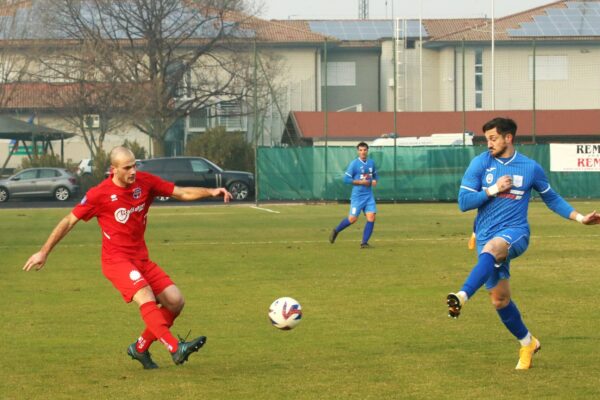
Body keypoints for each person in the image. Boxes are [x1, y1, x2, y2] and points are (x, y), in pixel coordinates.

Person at [23, 146, 233, 369]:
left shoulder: (145, 182)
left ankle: (140, 348)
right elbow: (68, 221)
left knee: (175, 302)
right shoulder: (99, 194)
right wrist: (44, 251)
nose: (133, 171)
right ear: (113, 170)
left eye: (135, 165)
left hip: (141, 259)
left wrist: (211, 192)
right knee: (146, 295)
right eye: (127, 167)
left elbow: (180, 192)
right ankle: (174, 348)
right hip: (116, 261)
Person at [446, 117, 600, 370]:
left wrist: (581, 218)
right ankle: (528, 342)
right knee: (500, 300)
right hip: (486, 236)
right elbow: (464, 202)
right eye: (487, 139)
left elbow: (553, 199)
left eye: (493, 138)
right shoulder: (480, 164)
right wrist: (493, 189)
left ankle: (462, 296)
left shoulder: (530, 168)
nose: (489, 144)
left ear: (509, 138)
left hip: (515, 233)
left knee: (493, 248)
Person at [329, 141, 378, 248]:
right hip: (358, 196)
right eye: (360, 150)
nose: (363, 152)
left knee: (371, 217)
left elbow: (375, 175)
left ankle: (364, 243)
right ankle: (336, 230)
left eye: (365, 150)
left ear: (367, 151)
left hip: (368, 196)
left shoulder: (371, 163)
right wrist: (360, 182)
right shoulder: (354, 164)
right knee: (352, 219)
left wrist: (374, 181)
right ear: (358, 151)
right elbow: (346, 179)